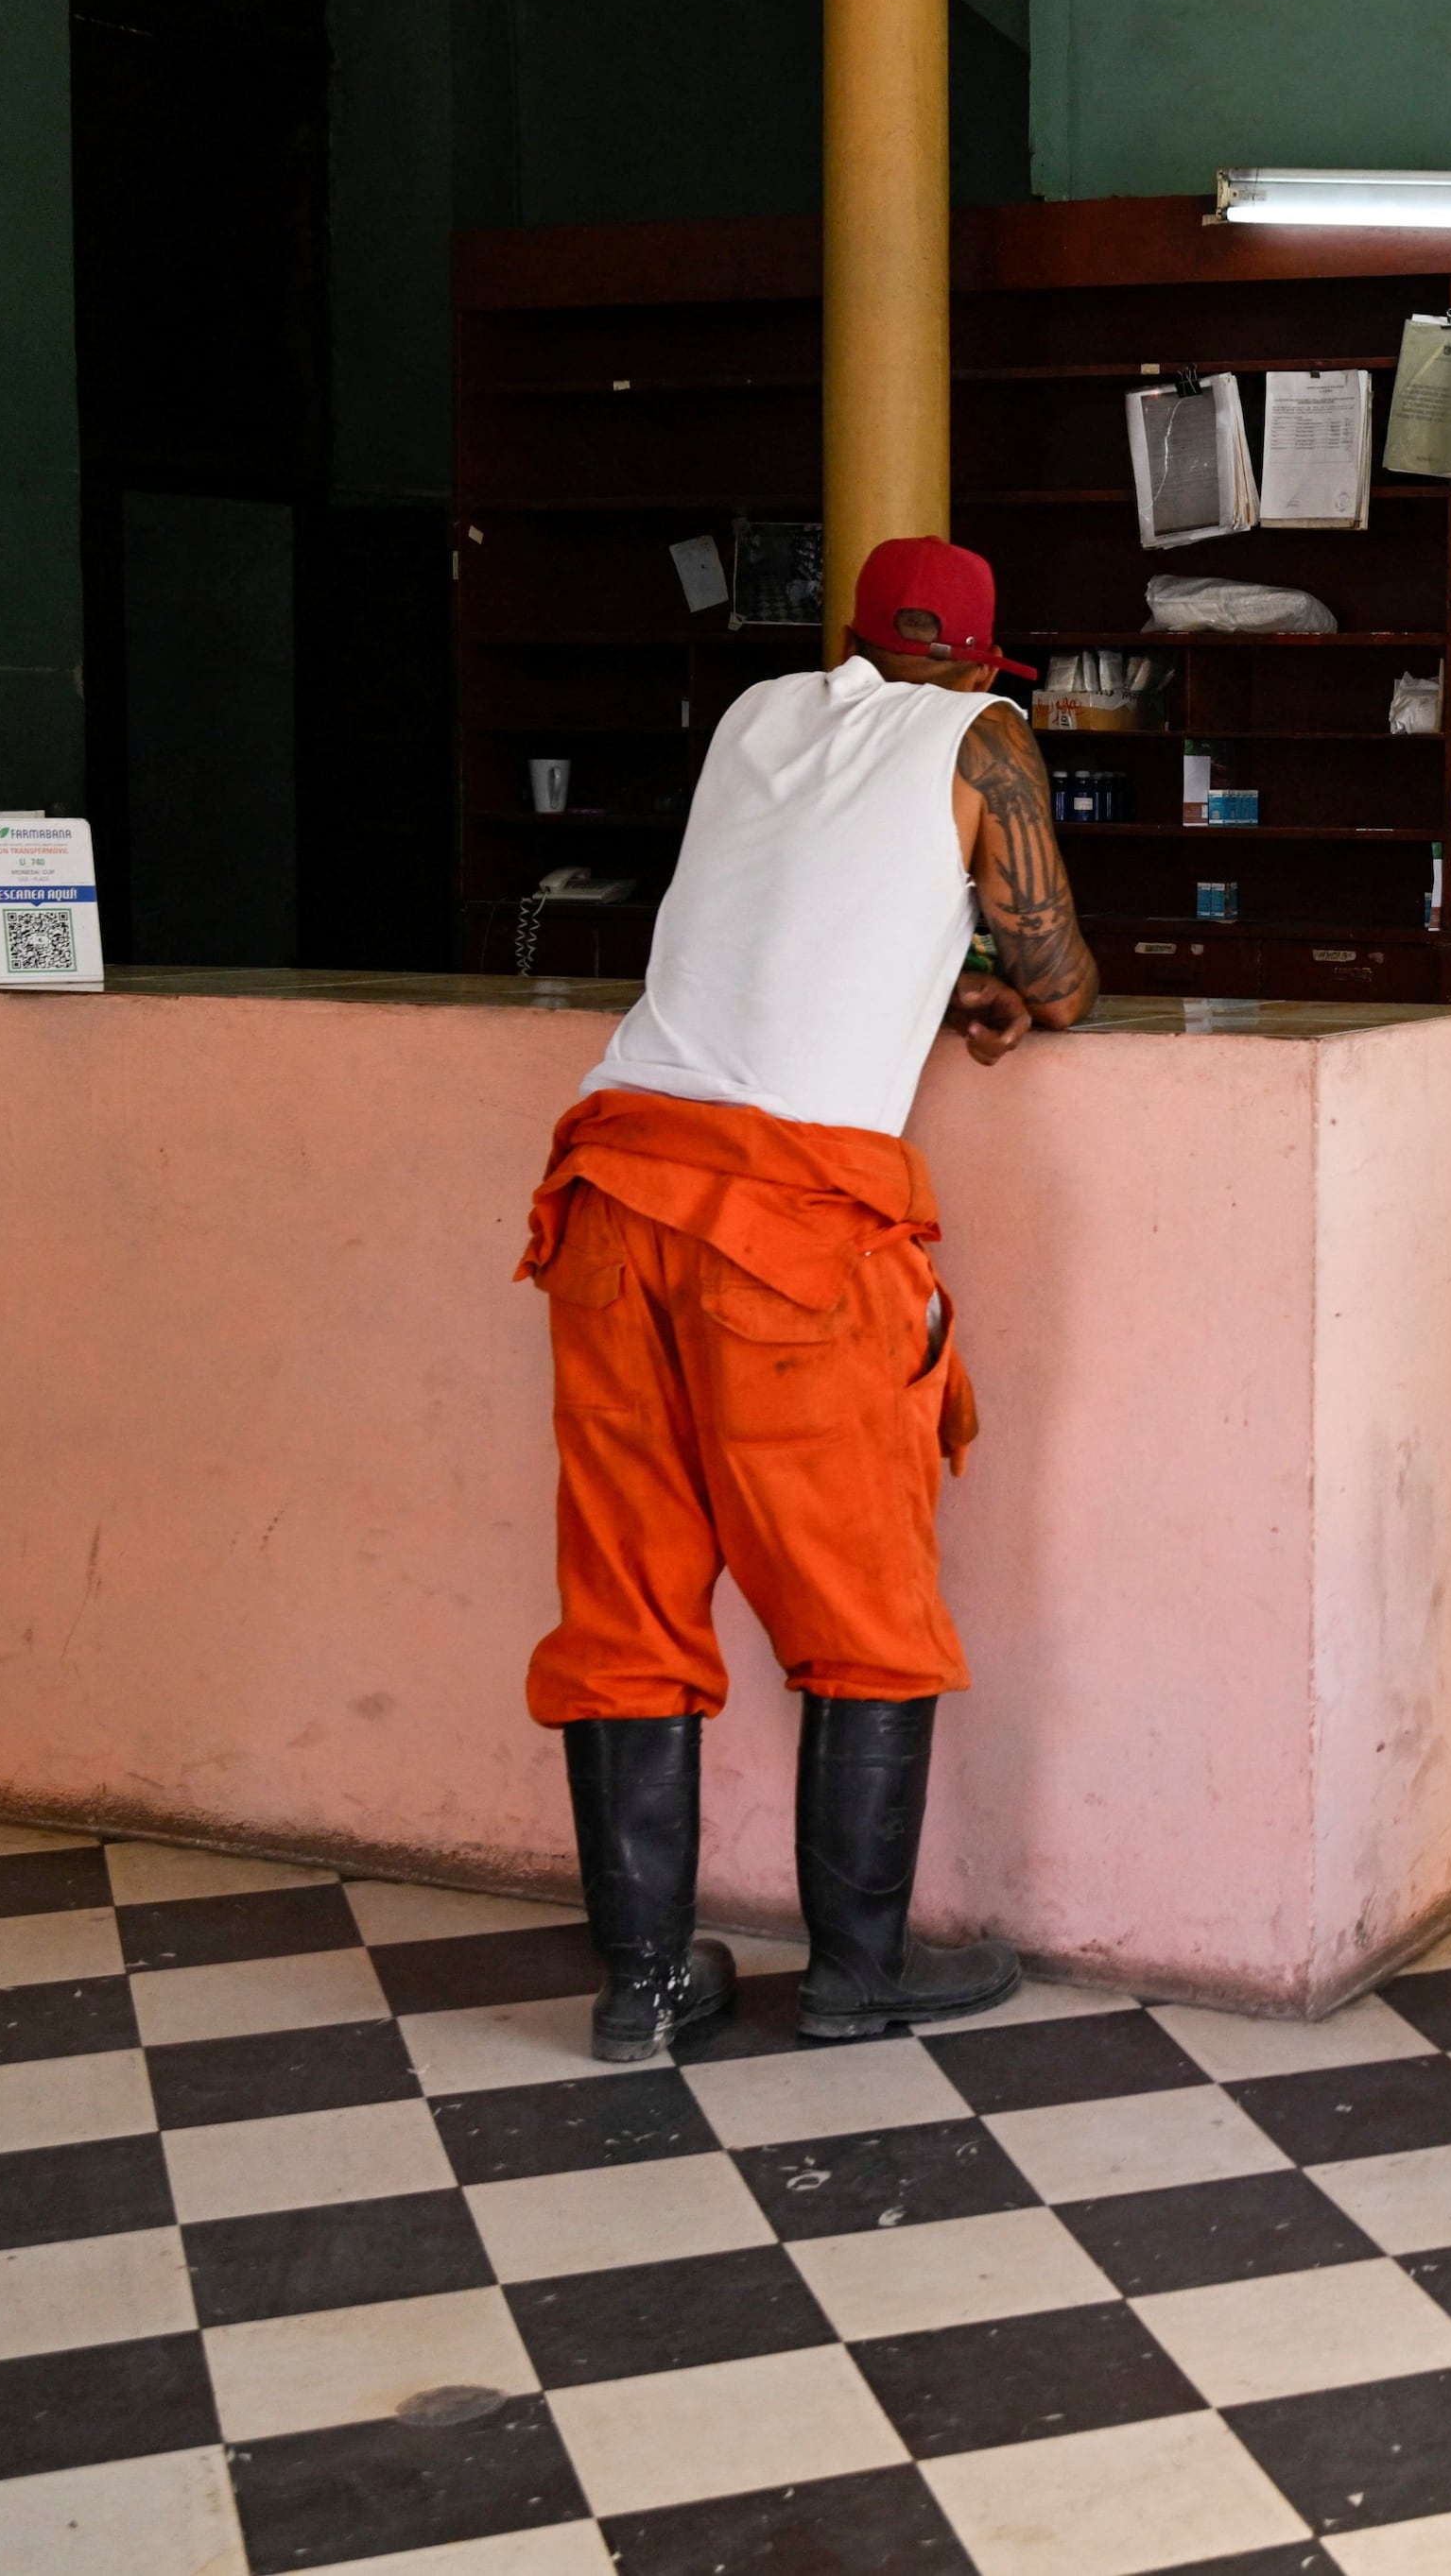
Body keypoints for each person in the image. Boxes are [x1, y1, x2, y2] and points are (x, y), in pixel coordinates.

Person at [516, 535, 1098, 2062]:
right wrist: (993, 980)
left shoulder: (759, 714)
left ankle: (641, 1984)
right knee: (862, 1604)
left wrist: (926, 974)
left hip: (614, 1187)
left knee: (628, 1597)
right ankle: (857, 1968)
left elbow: (803, 915)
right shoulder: (989, 735)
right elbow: (1059, 968)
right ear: (981, 663)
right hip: (790, 1231)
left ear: (852, 638)